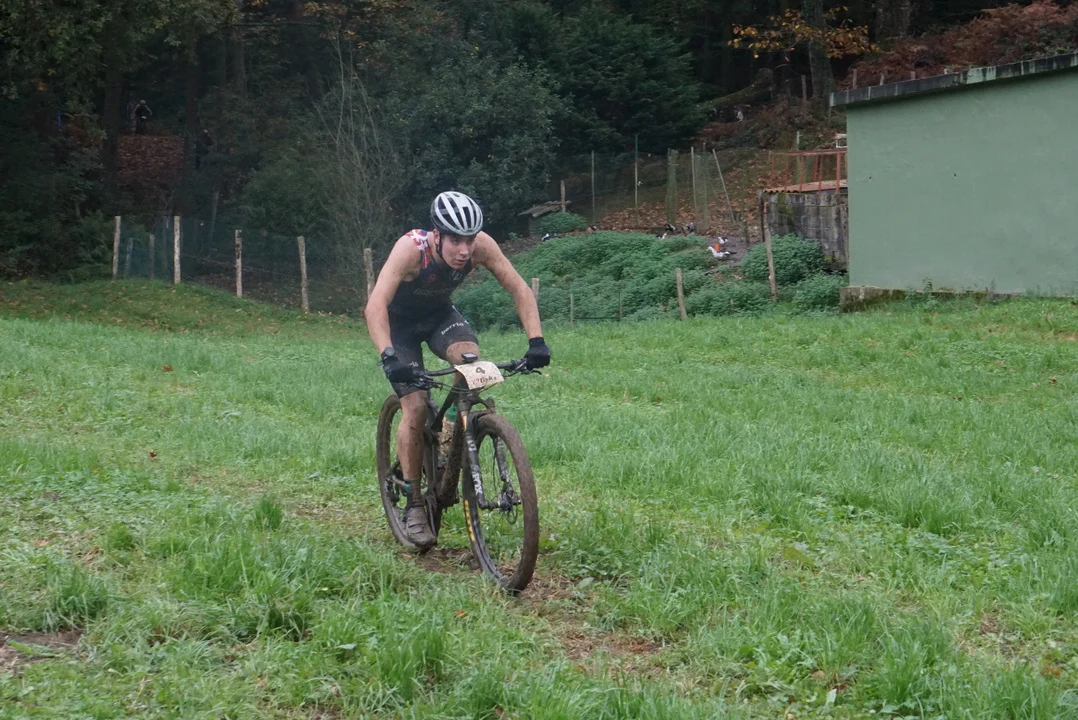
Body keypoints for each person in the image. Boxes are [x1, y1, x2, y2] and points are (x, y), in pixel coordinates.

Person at [364, 191, 551, 548]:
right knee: (416, 406)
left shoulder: (482, 247)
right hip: (399, 327)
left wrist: (536, 341)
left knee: (472, 365)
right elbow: (375, 306)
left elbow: (519, 288)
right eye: (455, 241)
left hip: (439, 317)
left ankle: (451, 431)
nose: (464, 250)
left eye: (469, 240)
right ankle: (414, 503)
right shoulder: (411, 250)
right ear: (437, 235)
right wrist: (389, 357)